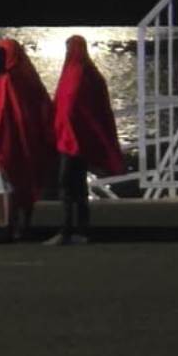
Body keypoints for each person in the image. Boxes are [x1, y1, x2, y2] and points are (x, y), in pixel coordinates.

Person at [47, 35, 124, 246]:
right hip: (74, 138)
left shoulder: (76, 74)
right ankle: (80, 229)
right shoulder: (88, 75)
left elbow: (71, 107)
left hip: (72, 140)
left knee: (66, 183)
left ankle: (68, 229)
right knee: (77, 184)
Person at [0, 39, 56, 243]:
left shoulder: (5, 81)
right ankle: (23, 226)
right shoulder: (27, 78)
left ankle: (5, 226)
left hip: (1, 141)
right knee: (22, 184)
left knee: (2, 187)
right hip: (25, 141)